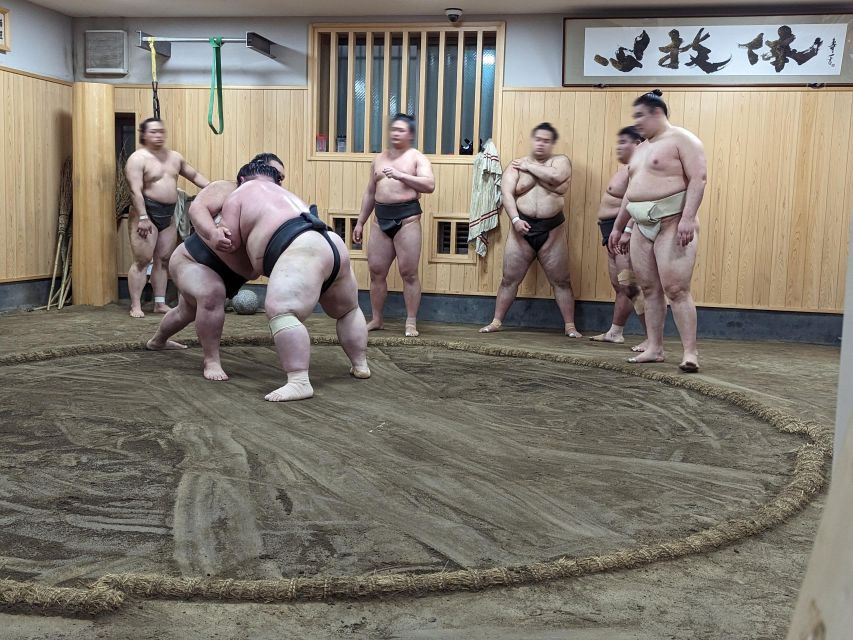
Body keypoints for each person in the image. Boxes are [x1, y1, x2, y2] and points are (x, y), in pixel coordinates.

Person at [219, 161, 370, 401]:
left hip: (300, 246)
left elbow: (229, 242)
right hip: (330, 241)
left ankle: (299, 381)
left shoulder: (239, 194)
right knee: (348, 310)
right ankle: (360, 364)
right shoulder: (286, 193)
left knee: (282, 311)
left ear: (241, 179)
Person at [145, 154, 285, 381]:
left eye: (280, 178)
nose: (277, 182)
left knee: (185, 312)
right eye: (273, 175)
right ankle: (211, 360)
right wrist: (212, 232)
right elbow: (197, 208)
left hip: (231, 277)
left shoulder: (278, 203)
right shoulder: (226, 189)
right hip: (192, 261)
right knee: (212, 292)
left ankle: (157, 341)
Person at [607, 90, 707, 372]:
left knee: (676, 289)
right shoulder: (640, 150)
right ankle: (654, 348)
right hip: (640, 224)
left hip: (673, 222)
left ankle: (690, 353)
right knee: (649, 288)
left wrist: (688, 218)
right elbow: (630, 192)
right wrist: (618, 227)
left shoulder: (682, 139)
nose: (636, 122)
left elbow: (699, 179)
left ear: (656, 112)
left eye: (640, 115)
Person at [480, 123, 582, 337]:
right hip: (521, 229)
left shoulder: (560, 161)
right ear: (532, 140)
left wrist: (530, 168)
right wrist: (515, 219)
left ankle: (570, 326)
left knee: (562, 281)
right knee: (508, 279)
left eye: (546, 140)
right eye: (538, 139)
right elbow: (507, 194)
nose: (541, 144)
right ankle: (496, 321)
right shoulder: (516, 165)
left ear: (552, 143)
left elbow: (556, 177)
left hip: (552, 230)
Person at [353, 114, 435, 337]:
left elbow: (429, 185)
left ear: (410, 134)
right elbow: (370, 192)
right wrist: (360, 221)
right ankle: (377, 319)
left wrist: (401, 175)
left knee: (408, 273)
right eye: (393, 129)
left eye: (401, 130)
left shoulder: (417, 158)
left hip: (407, 220)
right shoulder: (379, 159)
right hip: (380, 221)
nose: (396, 133)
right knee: (376, 271)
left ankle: (410, 321)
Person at [125, 118, 209, 317]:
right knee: (142, 260)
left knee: (163, 260)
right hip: (145, 213)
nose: (158, 135)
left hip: (168, 214)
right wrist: (143, 216)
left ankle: (159, 303)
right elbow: (135, 191)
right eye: (153, 132)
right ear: (144, 135)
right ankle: (135, 306)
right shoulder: (137, 159)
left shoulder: (174, 157)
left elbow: (195, 176)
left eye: (161, 131)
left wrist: (215, 189)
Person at [590, 126, 648, 349]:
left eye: (625, 142)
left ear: (639, 143)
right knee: (619, 285)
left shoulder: (640, 168)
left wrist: (627, 230)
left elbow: (641, 201)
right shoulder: (628, 167)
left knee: (631, 286)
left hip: (625, 232)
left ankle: (652, 339)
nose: (619, 146)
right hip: (610, 230)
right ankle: (615, 332)